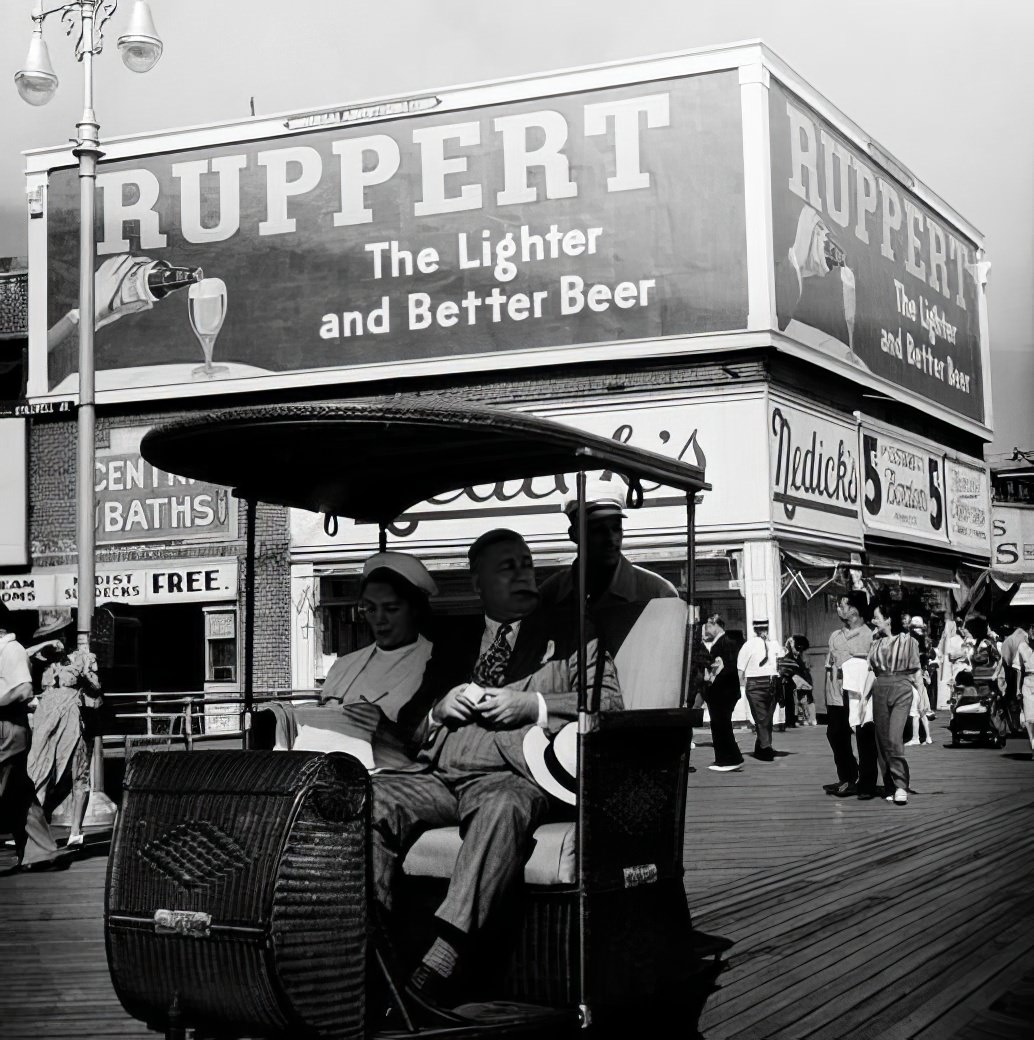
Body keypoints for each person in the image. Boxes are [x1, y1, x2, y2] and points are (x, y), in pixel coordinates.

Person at [370, 529, 621, 1020]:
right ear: (478, 582)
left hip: (511, 775)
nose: (524, 573)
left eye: (527, 563)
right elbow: (408, 728)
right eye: (507, 566)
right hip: (436, 775)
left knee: (504, 808)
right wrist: (439, 710)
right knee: (368, 799)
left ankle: (443, 959)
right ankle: (367, 947)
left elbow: (609, 703)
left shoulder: (571, 630)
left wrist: (535, 705)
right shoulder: (457, 638)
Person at [268, 552, 438, 767]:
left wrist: (383, 727)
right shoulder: (344, 666)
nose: (379, 619)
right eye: (370, 608)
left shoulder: (437, 666)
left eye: (391, 609)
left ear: (415, 609)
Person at [538, 480, 678, 611]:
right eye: (598, 530)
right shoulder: (551, 593)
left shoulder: (657, 592)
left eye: (616, 528)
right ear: (574, 534)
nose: (611, 539)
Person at [0, 603, 66, 873]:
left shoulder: (10, 649)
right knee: (20, 796)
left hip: (5, 728)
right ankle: (41, 852)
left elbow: (24, 689)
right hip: (8, 726)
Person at [25, 612, 102, 846]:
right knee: (38, 772)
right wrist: (46, 644)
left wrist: (86, 678)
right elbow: (24, 654)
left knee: (78, 772)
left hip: (71, 717)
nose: (55, 640)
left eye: (56, 635)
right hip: (45, 720)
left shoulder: (83, 658)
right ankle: (35, 833)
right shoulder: (42, 660)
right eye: (50, 636)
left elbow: (97, 688)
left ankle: (76, 831)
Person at [866, 600, 923, 805]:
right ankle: (890, 785)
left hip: (901, 687)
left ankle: (901, 785)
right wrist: (863, 699)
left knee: (894, 738)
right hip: (880, 688)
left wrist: (924, 702)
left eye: (876, 617)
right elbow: (870, 672)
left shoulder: (908, 641)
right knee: (882, 742)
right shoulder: (875, 643)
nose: (873, 621)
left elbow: (916, 671)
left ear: (888, 619)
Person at [824, 592, 873, 797]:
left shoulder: (869, 635)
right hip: (836, 695)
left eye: (842, 605)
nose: (838, 609)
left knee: (865, 738)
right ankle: (847, 778)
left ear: (854, 609)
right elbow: (829, 666)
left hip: (859, 695)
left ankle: (866, 782)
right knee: (835, 734)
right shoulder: (835, 635)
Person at [737, 618, 783, 761]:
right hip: (755, 684)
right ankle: (765, 747)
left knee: (768, 718)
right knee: (761, 718)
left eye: (766, 629)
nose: (764, 632)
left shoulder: (774, 644)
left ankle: (761, 745)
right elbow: (740, 668)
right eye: (761, 629)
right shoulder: (748, 645)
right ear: (756, 630)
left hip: (772, 683)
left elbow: (781, 661)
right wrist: (740, 687)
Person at [702, 615, 743, 772]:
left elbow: (724, 669)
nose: (706, 630)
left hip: (722, 692)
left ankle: (729, 759)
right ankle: (726, 758)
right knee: (721, 724)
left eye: (708, 626)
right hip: (727, 691)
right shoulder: (726, 642)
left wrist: (711, 681)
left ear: (715, 625)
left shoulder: (722, 644)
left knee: (721, 725)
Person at [999, 621, 1029, 737]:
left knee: (1012, 699)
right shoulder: (1025, 639)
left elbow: (1005, 660)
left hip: (1012, 673)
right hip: (1025, 673)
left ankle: (1014, 724)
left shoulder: (1009, 640)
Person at [779, 634, 815, 727]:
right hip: (790, 684)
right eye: (798, 649)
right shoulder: (786, 657)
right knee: (790, 700)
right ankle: (791, 720)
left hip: (798, 685)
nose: (799, 652)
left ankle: (801, 718)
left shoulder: (799, 658)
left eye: (801, 650)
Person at [1012, 622, 1034, 759]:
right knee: (1029, 719)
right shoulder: (1022, 646)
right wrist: (1017, 689)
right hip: (1028, 682)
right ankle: (1033, 746)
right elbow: (1019, 669)